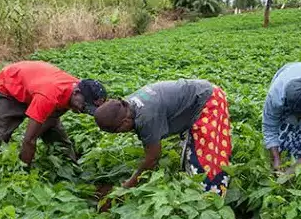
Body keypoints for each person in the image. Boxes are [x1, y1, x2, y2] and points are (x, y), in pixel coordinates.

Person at [93, 79, 232, 196]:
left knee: (206, 156)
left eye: (119, 131)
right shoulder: (127, 105)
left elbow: (153, 157)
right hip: (198, 95)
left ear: (125, 122)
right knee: (192, 150)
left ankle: (212, 197)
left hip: (209, 99)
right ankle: (194, 187)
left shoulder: (146, 118)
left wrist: (130, 184)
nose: (123, 133)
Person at [0, 60, 107, 165]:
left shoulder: (77, 91)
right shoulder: (50, 96)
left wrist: (42, 128)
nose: (83, 111)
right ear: (76, 93)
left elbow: (51, 119)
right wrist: (25, 170)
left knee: (55, 133)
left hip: (35, 83)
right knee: (1, 134)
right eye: (84, 106)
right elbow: (29, 140)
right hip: (11, 85)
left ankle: (69, 165)